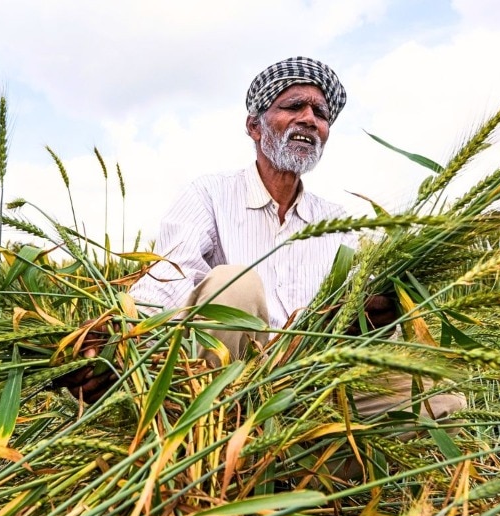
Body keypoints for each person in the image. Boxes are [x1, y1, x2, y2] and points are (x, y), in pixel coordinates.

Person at [59, 57, 465, 421]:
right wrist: (117, 340)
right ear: (254, 126)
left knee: (443, 398)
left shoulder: (338, 222)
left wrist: (373, 320)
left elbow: (364, 318)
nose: (310, 118)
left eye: (320, 114)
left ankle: (297, 462)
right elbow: (170, 277)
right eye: (293, 107)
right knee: (235, 282)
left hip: (308, 381)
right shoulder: (211, 194)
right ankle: (215, 435)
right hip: (223, 378)